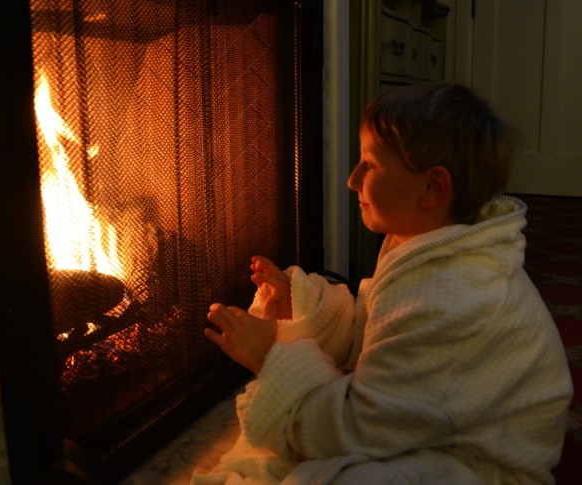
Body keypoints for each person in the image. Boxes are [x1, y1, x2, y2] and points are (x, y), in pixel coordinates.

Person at [193, 83, 573, 484]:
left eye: (370, 165)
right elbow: (376, 328)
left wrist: (271, 356)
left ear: (431, 188)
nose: (352, 180)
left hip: (484, 462)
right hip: (444, 423)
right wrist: (297, 304)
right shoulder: (422, 240)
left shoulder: (449, 297)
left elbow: (358, 431)